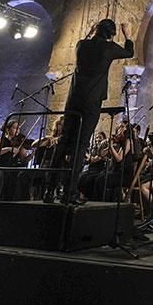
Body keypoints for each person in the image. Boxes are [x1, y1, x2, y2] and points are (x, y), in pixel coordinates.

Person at [54, 18, 134, 202]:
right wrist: (127, 34)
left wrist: (89, 33)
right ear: (111, 34)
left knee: (64, 141)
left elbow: (83, 42)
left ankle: (50, 188)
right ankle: (70, 193)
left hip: (73, 100)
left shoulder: (81, 45)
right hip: (91, 103)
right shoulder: (109, 48)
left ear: (96, 30)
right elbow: (129, 51)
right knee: (80, 145)